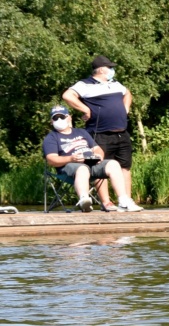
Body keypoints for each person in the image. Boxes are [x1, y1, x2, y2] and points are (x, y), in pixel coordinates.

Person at [62, 55, 135, 212]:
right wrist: (85, 109)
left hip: (121, 132)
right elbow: (67, 95)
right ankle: (107, 202)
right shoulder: (85, 84)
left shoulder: (115, 83)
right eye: (110, 68)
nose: (112, 70)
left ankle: (127, 201)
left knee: (125, 167)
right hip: (99, 133)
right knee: (101, 166)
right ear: (102, 69)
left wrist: (125, 108)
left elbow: (127, 93)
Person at [42, 105, 143, 212]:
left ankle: (124, 201)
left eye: (62, 117)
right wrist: (71, 158)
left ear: (69, 118)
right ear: (51, 122)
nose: (59, 120)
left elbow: (96, 148)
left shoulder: (81, 132)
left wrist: (99, 156)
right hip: (69, 166)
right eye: (55, 118)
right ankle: (84, 200)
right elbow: (51, 160)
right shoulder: (51, 138)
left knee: (113, 164)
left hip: (91, 162)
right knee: (82, 169)